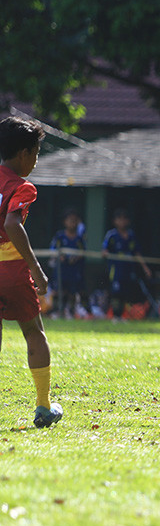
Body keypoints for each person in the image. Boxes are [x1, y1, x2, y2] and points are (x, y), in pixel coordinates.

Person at [0, 116, 62, 428]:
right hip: (10, 271)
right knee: (33, 332)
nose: (35, 162)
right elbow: (12, 224)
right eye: (36, 154)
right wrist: (36, 270)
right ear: (24, 153)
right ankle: (43, 407)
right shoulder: (21, 187)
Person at [102, 209, 152, 320]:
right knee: (116, 293)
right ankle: (116, 315)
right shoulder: (112, 235)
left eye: (124, 219)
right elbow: (104, 250)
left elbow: (136, 252)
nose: (122, 221)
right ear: (115, 221)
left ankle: (122, 315)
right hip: (116, 269)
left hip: (128, 269)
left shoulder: (131, 235)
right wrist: (105, 253)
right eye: (119, 219)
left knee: (125, 292)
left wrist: (145, 267)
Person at [49, 208, 87, 319]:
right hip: (61, 269)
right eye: (70, 220)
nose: (72, 223)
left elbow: (83, 251)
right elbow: (53, 249)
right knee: (58, 291)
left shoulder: (79, 238)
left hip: (74, 270)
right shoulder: (60, 236)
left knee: (72, 292)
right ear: (65, 222)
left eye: (74, 221)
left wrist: (75, 258)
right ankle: (56, 311)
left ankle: (70, 312)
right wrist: (59, 256)